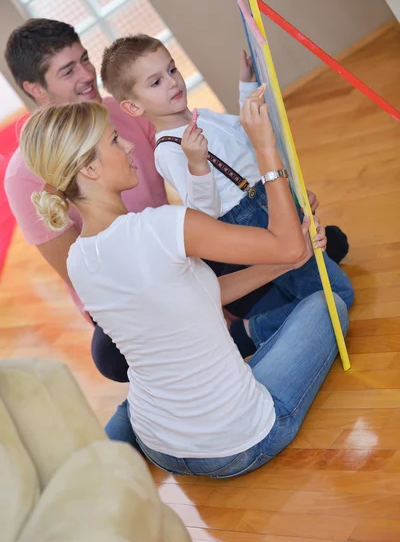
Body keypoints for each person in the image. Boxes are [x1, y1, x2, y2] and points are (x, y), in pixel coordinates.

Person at [18, 89, 349, 478]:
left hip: (159, 445)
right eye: (113, 140)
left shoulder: (78, 257)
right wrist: (265, 148)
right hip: (239, 443)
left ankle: (103, 456)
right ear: (89, 169)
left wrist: (283, 264)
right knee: (328, 306)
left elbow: (200, 295)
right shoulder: (161, 226)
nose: (127, 145)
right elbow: (290, 246)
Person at [100, 34, 353, 328]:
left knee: (318, 272)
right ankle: (262, 327)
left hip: (268, 198)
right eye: (155, 82)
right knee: (339, 294)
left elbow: (245, 135)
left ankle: (286, 313)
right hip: (249, 219)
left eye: (172, 70)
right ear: (133, 108)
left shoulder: (199, 116)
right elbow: (201, 214)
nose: (172, 82)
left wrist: (246, 86)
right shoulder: (169, 150)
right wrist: (197, 165)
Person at [4, 18, 168, 383]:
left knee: (321, 241)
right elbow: (80, 274)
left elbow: (190, 162)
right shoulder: (23, 176)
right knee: (111, 357)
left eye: (85, 59)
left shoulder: (122, 110)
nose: (87, 74)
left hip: (180, 247)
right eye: (67, 70)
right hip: (128, 293)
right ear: (36, 89)